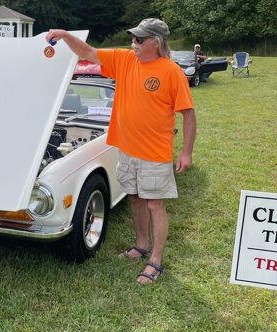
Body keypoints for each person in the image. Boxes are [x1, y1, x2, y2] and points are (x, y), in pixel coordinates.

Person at [46, 19, 196, 284]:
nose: (133, 43)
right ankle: (141, 245)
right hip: (126, 149)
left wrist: (186, 152)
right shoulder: (124, 60)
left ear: (156, 42)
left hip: (155, 152)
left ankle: (156, 261)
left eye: (139, 39)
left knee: (155, 204)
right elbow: (88, 52)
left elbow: (188, 114)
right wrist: (66, 35)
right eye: (133, 38)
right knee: (135, 199)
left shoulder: (171, 72)